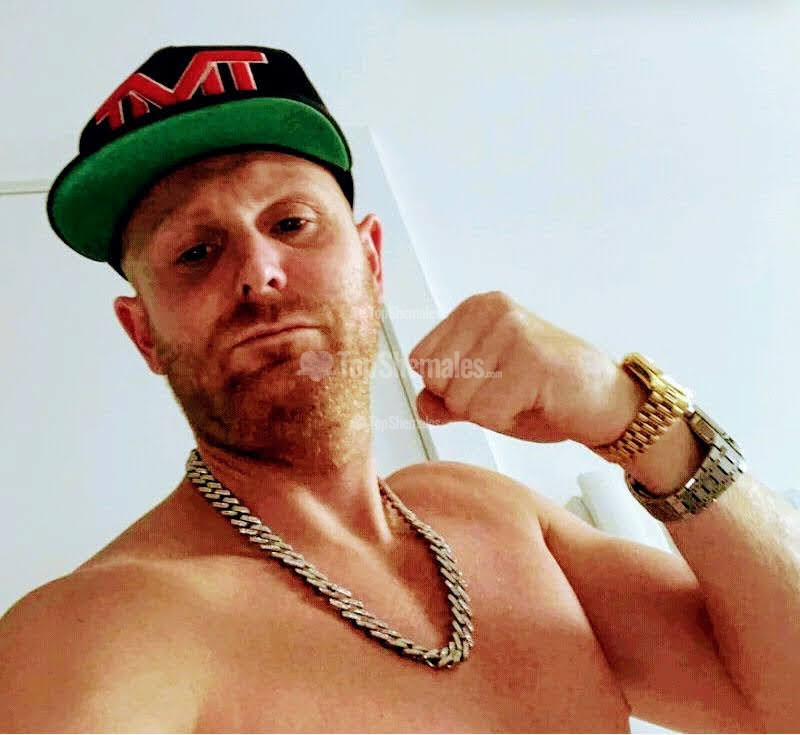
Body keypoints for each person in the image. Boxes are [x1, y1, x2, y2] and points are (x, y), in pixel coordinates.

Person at [0, 45, 797, 733]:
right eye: (196, 251)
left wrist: (634, 416)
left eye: (290, 223)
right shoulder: (95, 633)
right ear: (143, 332)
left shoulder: (500, 523)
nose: (258, 272)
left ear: (373, 261)